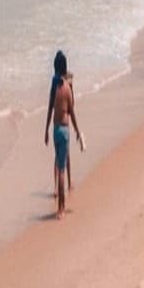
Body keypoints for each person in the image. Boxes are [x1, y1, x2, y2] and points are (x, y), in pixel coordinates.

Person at [45, 50, 83, 215]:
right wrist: (78, 131)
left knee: (58, 161)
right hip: (65, 129)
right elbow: (72, 112)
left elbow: (49, 108)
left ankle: (59, 195)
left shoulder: (54, 87)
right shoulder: (67, 89)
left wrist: (46, 130)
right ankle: (61, 207)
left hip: (54, 130)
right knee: (62, 168)